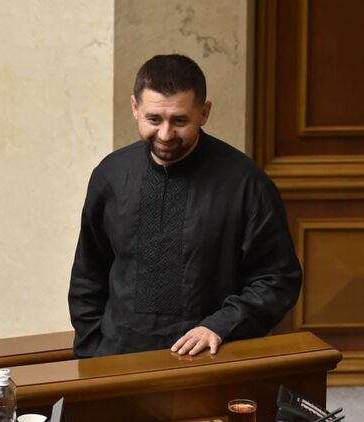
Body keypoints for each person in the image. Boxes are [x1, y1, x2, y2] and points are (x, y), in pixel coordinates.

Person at [68, 54, 302, 358]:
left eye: (180, 121)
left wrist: (220, 325)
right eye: (154, 119)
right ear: (135, 107)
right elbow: (88, 275)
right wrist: (92, 353)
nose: (165, 135)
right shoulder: (109, 175)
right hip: (117, 359)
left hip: (208, 361)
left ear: (204, 113)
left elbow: (278, 280)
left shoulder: (246, 183)